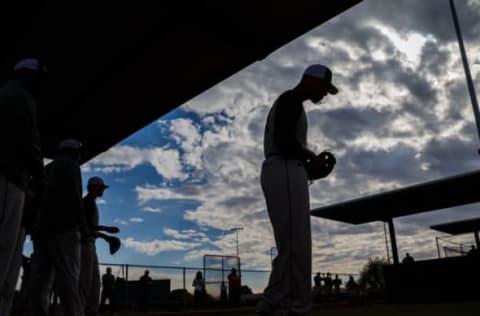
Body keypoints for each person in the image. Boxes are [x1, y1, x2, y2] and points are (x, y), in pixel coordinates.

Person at [256, 64, 338, 316]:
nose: (324, 94)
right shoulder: (291, 99)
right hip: (283, 168)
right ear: (311, 80)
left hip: (287, 168)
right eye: (324, 88)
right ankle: (286, 305)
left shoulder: (293, 103)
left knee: (294, 243)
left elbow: (289, 147)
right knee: (295, 244)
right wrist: (311, 157)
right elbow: (284, 142)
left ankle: (277, 302)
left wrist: (315, 169)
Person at [0, 58, 46, 316]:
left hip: (10, 179)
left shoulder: (6, 93)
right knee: (4, 254)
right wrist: (41, 181)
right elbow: (31, 143)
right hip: (9, 179)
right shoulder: (20, 96)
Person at [30, 138, 85, 316]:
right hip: (64, 228)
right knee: (68, 277)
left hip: (42, 230)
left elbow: (34, 198)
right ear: (73, 152)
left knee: (40, 280)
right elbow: (75, 197)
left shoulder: (47, 168)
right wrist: (83, 227)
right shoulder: (71, 165)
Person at [79, 176, 119, 316]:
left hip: (90, 243)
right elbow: (86, 226)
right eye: (102, 187)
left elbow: (91, 229)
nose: (103, 190)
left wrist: (105, 237)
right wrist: (107, 230)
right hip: (83, 245)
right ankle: (81, 310)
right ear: (95, 187)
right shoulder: (87, 202)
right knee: (85, 281)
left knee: (95, 282)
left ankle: (91, 310)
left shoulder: (91, 202)